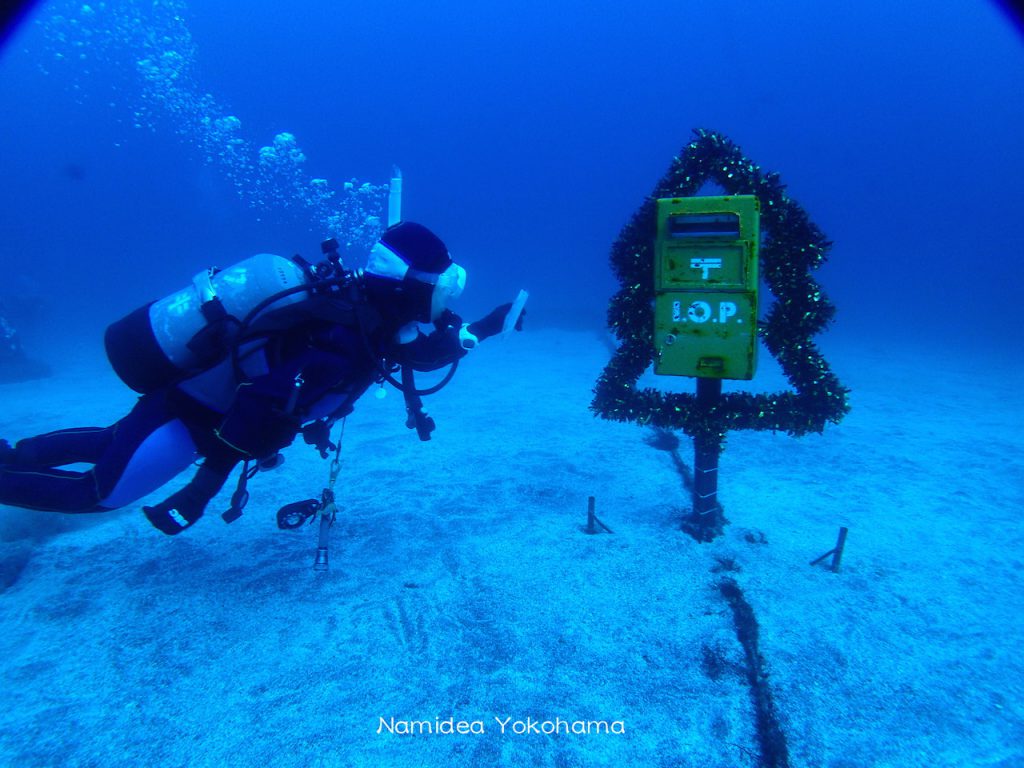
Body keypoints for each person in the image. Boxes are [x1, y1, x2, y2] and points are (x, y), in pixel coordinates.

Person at [0, 222, 524, 534]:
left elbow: (423, 355)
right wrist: (200, 492)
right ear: (412, 286)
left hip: (192, 406)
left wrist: (491, 325)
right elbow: (259, 408)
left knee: (111, 442)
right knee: (100, 493)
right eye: (445, 286)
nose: (448, 300)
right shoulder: (346, 337)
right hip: (191, 418)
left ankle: (12, 453)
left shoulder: (375, 322)